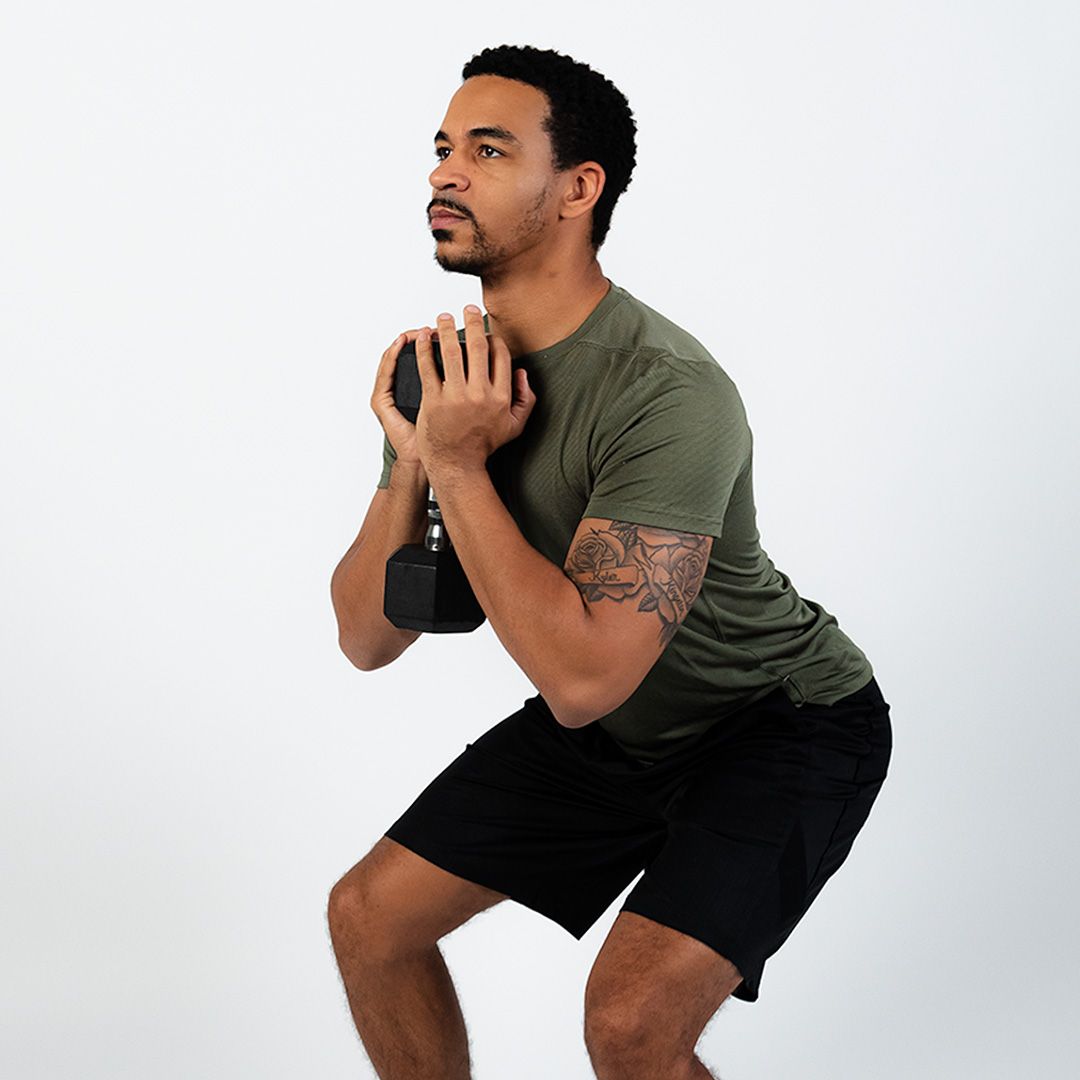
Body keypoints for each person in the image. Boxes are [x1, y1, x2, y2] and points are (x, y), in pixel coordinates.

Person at [328, 43, 892, 1080]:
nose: (444, 173)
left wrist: (456, 459)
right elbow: (368, 636)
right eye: (444, 148)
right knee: (371, 920)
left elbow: (584, 679)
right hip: (626, 726)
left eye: (488, 151)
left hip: (777, 720)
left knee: (631, 1025)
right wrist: (419, 464)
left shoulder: (668, 390)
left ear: (579, 188)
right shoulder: (451, 377)